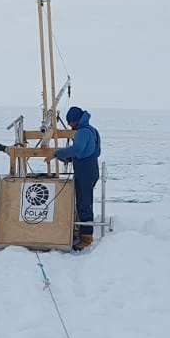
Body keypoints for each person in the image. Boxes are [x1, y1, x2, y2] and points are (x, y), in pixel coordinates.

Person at [50, 106, 101, 249]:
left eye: (70, 122)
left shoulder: (82, 132)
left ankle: (86, 238)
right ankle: (82, 232)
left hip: (85, 172)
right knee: (84, 202)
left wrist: (57, 153)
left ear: (74, 121)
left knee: (84, 204)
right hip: (91, 169)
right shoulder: (92, 130)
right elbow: (91, 151)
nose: (69, 126)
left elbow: (76, 149)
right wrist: (71, 158)